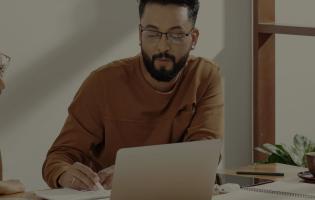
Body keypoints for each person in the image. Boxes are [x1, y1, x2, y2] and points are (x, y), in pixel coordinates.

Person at [43, 0, 224, 191]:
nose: (163, 47)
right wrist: (65, 174)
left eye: (176, 35)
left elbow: (203, 158)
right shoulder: (102, 83)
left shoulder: (204, 76)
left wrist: (135, 174)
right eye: (152, 33)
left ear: (193, 38)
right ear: (140, 34)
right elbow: (58, 158)